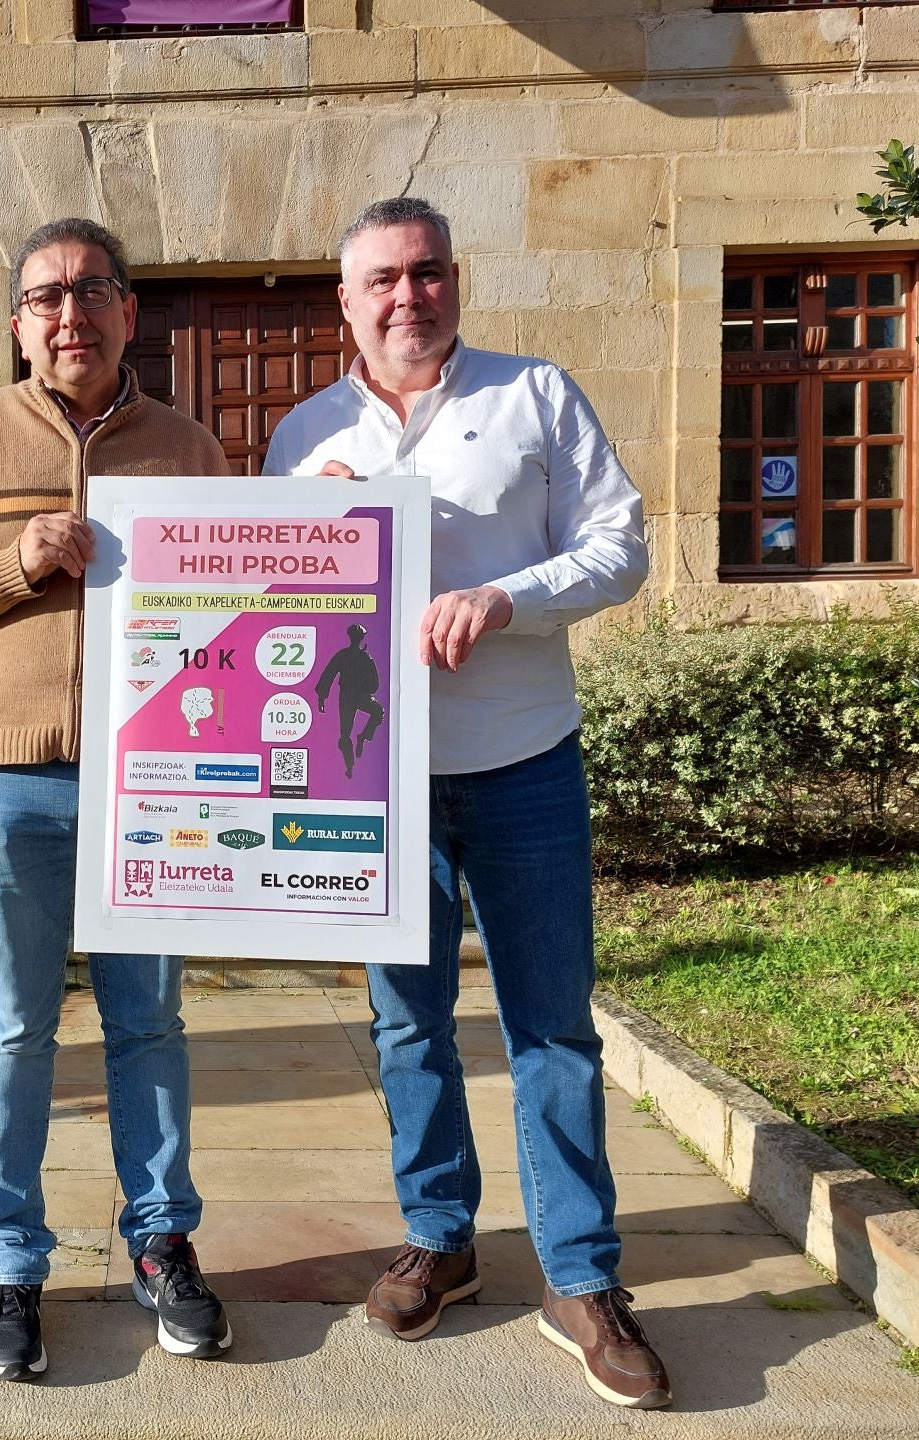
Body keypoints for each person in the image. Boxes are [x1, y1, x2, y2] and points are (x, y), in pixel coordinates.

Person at [261, 196, 669, 1410]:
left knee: (552, 1025)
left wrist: (508, 597)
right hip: (371, 780)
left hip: (524, 758)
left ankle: (581, 1279)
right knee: (407, 1027)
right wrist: (306, 522)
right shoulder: (304, 433)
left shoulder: (535, 395)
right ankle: (440, 1237)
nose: (407, 297)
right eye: (381, 279)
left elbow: (622, 545)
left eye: (427, 272)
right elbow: (268, 613)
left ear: (456, 279)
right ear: (346, 301)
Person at [0, 217, 234, 1382]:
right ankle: (10, 1263)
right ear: (18, 323)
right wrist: (16, 562)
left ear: (131, 311)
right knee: (13, 1027)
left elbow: (246, 605)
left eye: (93, 291)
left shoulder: (189, 448)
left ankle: (162, 1242)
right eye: (45, 297)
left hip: (156, 781)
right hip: (1, 779)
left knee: (149, 1024)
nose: (69, 314)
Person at [314, 622, 386, 777]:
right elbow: (374, 684)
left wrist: (322, 697)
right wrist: (321, 696)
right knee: (377, 711)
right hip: (354, 696)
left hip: (349, 696)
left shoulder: (348, 656)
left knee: (346, 734)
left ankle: (351, 763)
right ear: (361, 638)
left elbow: (329, 674)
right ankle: (354, 758)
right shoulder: (365, 658)